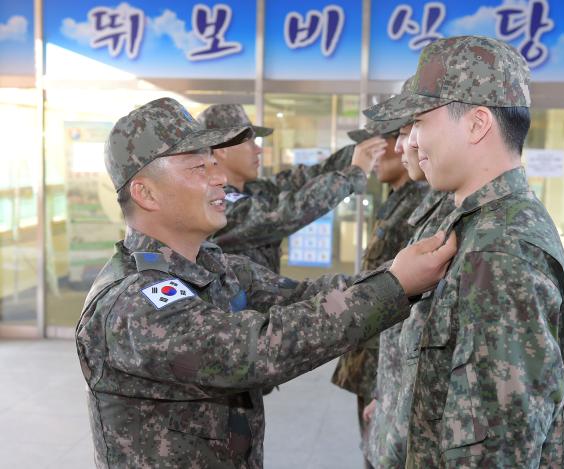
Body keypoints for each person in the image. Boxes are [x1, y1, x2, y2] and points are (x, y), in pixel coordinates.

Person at [75, 97, 458, 468]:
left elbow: (304, 295)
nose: (220, 178)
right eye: (198, 168)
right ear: (145, 193)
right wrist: (393, 286)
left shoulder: (212, 264)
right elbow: (256, 350)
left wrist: (400, 274)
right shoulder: (131, 302)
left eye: (214, 163)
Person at [365, 35, 564, 467]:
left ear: (476, 124)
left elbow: (500, 448)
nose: (411, 141)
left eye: (420, 122)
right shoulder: (475, 220)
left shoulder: (501, 252)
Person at [330, 110, 429, 468]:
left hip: (386, 363)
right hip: (375, 357)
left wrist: (390, 388)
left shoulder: (419, 201)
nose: (373, 158)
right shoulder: (397, 197)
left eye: (378, 146)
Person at [196, 103, 387, 273]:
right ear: (222, 150)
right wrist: (353, 174)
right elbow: (283, 213)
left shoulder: (253, 189)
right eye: (251, 142)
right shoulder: (215, 202)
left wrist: (360, 150)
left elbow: (306, 177)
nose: (259, 149)